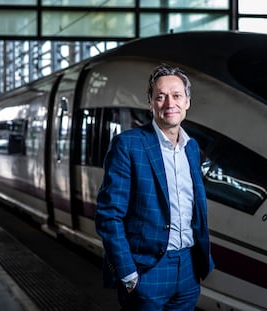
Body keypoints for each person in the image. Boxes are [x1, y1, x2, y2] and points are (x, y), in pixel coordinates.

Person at [95, 63, 214, 310]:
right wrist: (128, 274)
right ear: (150, 103)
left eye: (177, 95)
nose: (170, 103)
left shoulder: (192, 147)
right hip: (147, 270)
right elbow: (109, 215)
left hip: (189, 269)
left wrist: (199, 264)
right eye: (160, 96)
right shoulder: (128, 145)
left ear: (187, 102)